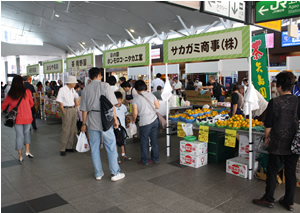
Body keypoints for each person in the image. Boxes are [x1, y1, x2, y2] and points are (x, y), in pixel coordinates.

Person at [253, 71, 300, 211]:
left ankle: (268, 199)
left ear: (279, 86)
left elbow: (268, 124)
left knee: (273, 170)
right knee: (290, 172)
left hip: (277, 142)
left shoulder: (274, 102)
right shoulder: (298, 101)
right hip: (294, 143)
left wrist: (267, 137)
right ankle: (289, 201)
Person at [80, 67, 125, 182]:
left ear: (89, 77)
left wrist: (84, 124)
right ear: (100, 75)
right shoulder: (105, 86)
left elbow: (84, 109)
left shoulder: (85, 89)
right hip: (105, 120)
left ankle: (98, 173)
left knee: (94, 147)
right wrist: (115, 120)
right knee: (110, 146)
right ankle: (115, 173)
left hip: (92, 120)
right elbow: (112, 105)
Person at [1, 75, 34, 161]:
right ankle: (27, 151)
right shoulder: (27, 92)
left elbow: (3, 106)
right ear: (22, 82)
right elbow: (31, 104)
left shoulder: (11, 94)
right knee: (27, 133)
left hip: (17, 118)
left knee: (19, 136)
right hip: (27, 117)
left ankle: (20, 156)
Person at [132, 80, 160, 166]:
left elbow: (135, 113)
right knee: (154, 141)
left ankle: (145, 161)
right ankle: (155, 159)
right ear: (145, 87)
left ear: (136, 89)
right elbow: (158, 106)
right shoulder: (151, 95)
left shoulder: (136, 98)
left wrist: (133, 121)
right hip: (155, 120)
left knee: (144, 142)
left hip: (145, 122)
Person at [56, 76, 79, 156]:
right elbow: (60, 101)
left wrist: (76, 105)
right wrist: (64, 111)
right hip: (66, 109)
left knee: (72, 128)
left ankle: (69, 146)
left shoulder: (72, 90)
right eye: (74, 82)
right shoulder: (62, 89)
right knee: (66, 129)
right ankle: (62, 148)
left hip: (72, 109)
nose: (75, 84)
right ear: (69, 82)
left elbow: (76, 97)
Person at [114, 91, 132, 164]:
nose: (118, 101)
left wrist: (130, 120)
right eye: (116, 99)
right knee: (115, 143)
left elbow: (126, 115)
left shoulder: (124, 107)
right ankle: (116, 156)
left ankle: (123, 154)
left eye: (119, 99)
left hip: (123, 128)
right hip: (115, 128)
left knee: (123, 142)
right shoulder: (113, 107)